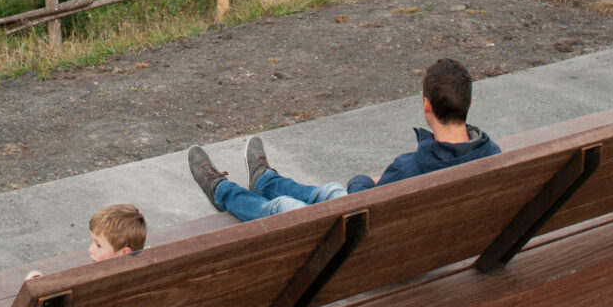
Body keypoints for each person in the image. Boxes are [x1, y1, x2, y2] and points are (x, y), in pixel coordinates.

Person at [187, 58, 500, 222]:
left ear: (427, 105)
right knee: (330, 191)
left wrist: (365, 179)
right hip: (428, 238)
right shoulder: (492, 154)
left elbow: (360, 195)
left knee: (285, 208)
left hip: (365, 249)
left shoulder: (410, 169)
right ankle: (266, 180)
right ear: (467, 103)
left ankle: (223, 191)